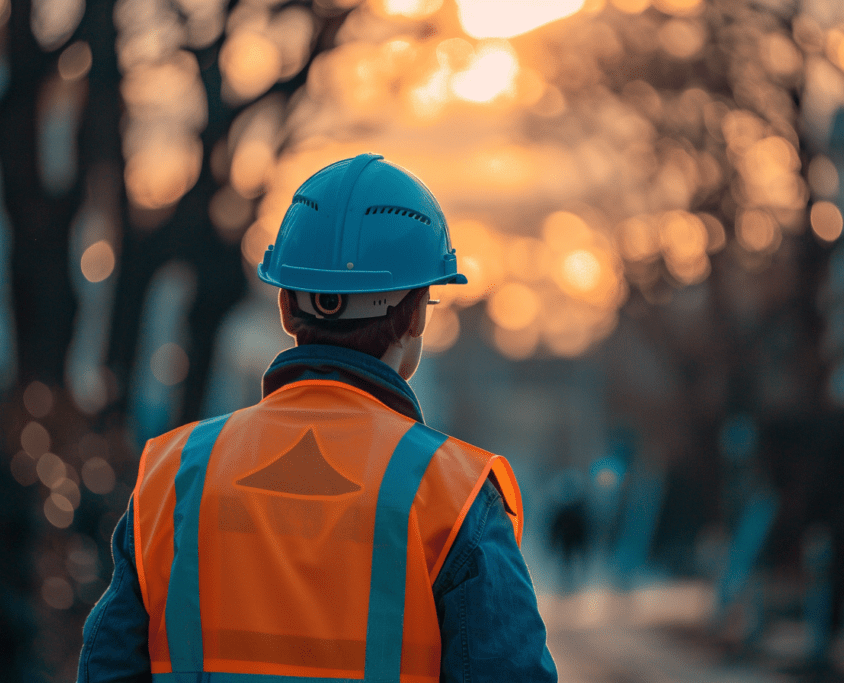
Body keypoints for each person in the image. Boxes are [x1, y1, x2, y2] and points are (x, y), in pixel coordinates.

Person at [76, 153, 558, 682]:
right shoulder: (454, 495)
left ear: (285, 307)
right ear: (417, 315)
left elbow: (109, 664)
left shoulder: (173, 474)